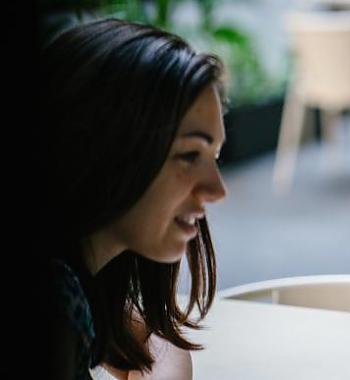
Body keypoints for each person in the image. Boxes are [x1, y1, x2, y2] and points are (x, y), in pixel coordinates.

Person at [42, 18, 227, 379]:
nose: (217, 189)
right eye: (190, 156)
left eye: (214, 157)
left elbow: (146, 338)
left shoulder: (81, 282)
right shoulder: (51, 304)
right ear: (110, 148)